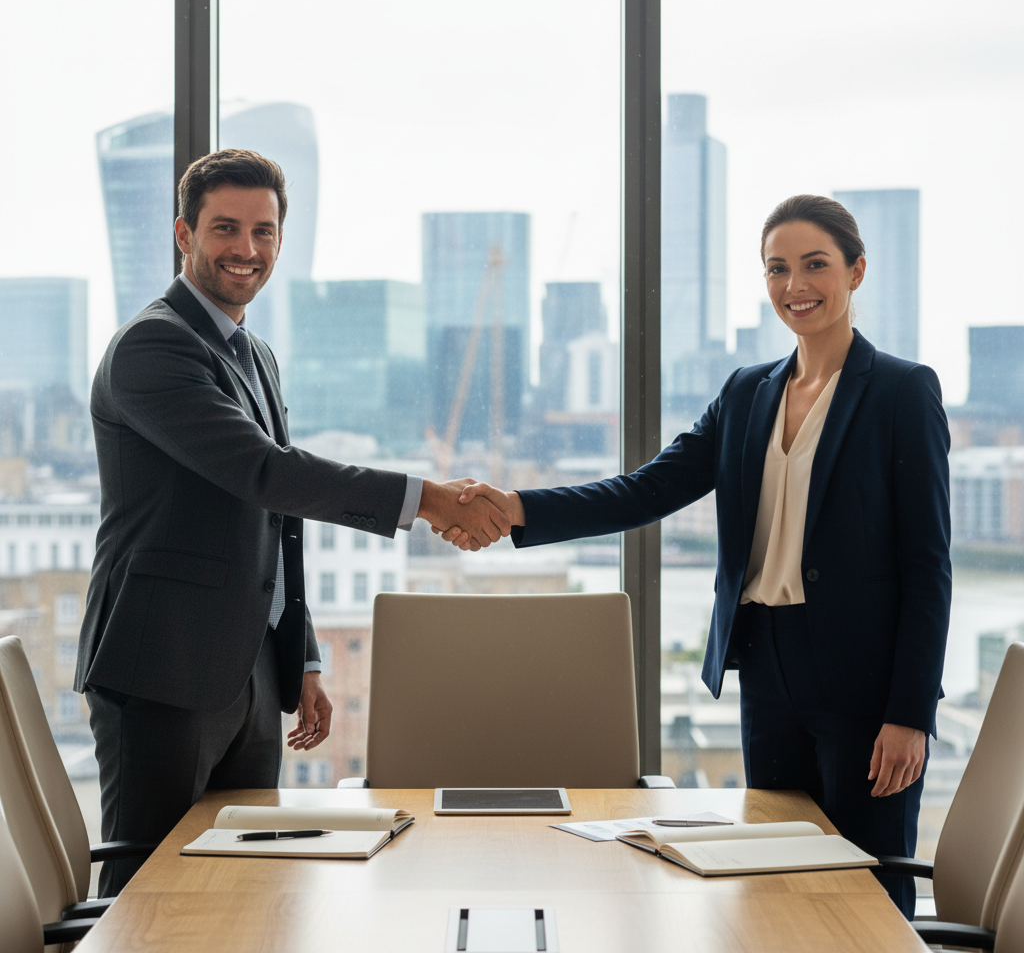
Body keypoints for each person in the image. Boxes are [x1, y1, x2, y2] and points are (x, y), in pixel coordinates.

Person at [446, 194, 950, 918]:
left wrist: (910, 713)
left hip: (865, 682)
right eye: (777, 269)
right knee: (771, 875)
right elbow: (647, 490)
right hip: (767, 665)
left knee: (865, 887)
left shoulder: (903, 392)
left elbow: (927, 566)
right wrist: (519, 508)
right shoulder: (748, 393)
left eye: (815, 265)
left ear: (857, 271)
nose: (794, 286)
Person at [75, 148, 510, 896]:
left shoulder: (255, 354)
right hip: (163, 668)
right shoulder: (153, 347)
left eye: (264, 231)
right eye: (225, 229)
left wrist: (300, 656)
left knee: (246, 886)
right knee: (149, 900)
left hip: (245, 670)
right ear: (184, 235)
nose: (246, 249)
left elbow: (272, 522)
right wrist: (430, 499)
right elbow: (265, 472)